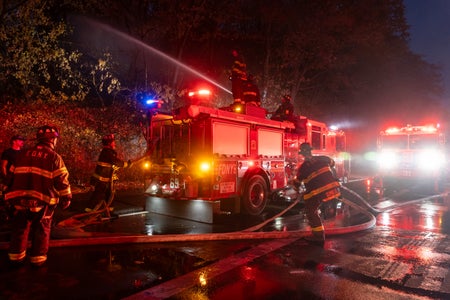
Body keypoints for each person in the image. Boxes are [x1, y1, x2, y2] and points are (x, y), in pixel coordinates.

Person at [5, 125, 72, 267]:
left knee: (19, 229)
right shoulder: (54, 157)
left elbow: (9, 177)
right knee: (41, 230)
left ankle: (16, 258)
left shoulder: (22, 154)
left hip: (18, 201)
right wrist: (66, 197)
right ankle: (37, 260)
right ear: (52, 140)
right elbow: (61, 179)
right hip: (42, 203)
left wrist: (5, 195)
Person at [294, 143, 341, 247]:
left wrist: (297, 190)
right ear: (311, 151)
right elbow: (332, 163)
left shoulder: (302, 169)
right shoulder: (323, 159)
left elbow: (297, 183)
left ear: (302, 154)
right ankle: (327, 213)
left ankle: (318, 236)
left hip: (318, 193)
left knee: (311, 211)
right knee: (319, 206)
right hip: (334, 189)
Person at [86, 134, 132, 212]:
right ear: (109, 143)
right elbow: (115, 161)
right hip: (102, 180)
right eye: (113, 142)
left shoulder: (108, 152)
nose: (115, 144)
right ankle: (88, 212)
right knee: (98, 196)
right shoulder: (107, 152)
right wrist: (127, 164)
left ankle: (109, 211)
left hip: (106, 179)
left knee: (110, 195)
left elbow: (112, 164)